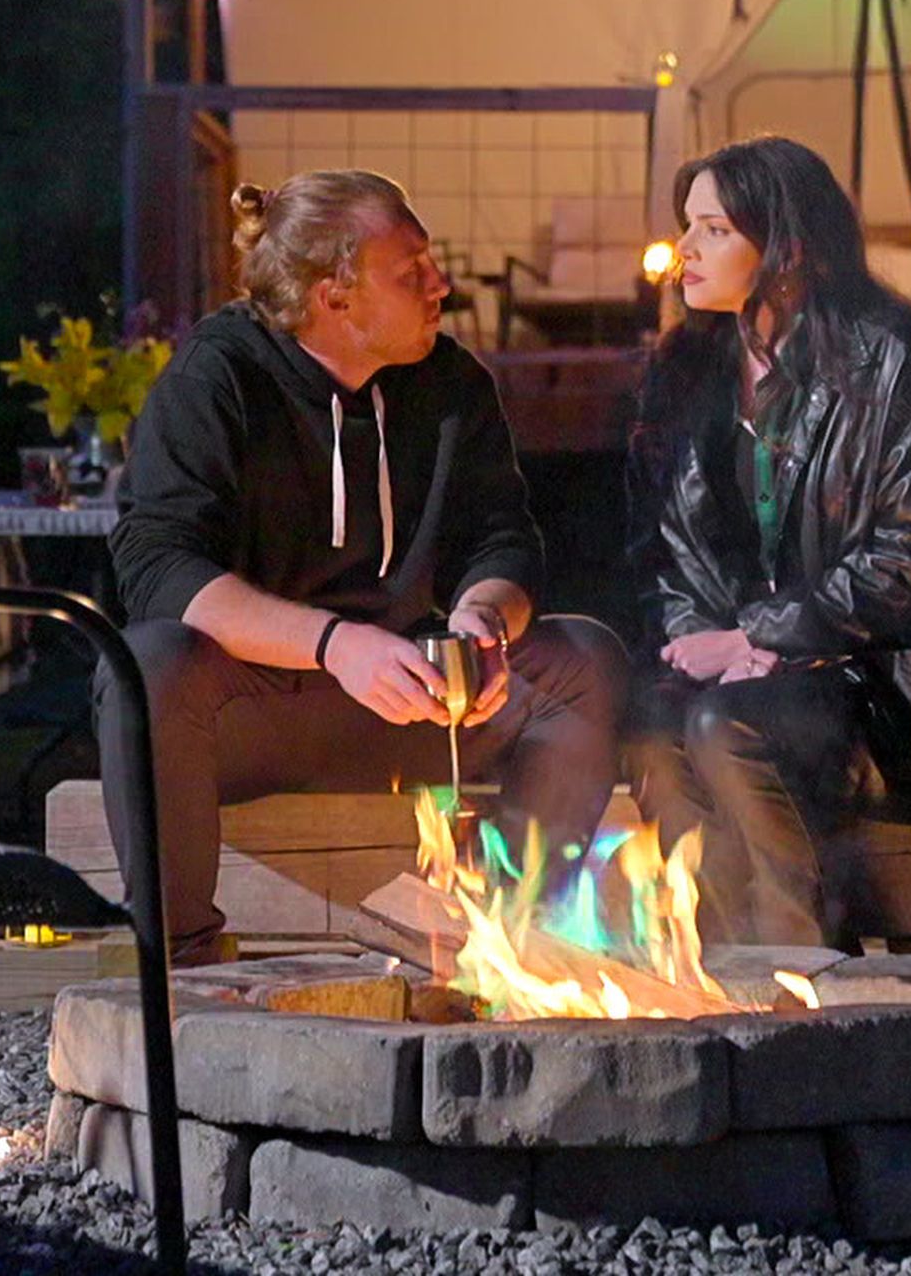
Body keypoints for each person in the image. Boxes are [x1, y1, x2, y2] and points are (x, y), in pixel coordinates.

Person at [105, 170, 631, 964]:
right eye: (410, 270)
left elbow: (504, 538)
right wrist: (334, 645)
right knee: (147, 668)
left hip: (418, 705)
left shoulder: (452, 385)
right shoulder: (218, 379)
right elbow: (158, 568)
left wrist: (483, 618)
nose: (440, 284)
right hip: (261, 708)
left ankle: (512, 949)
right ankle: (178, 964)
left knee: (582, 661)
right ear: (334, 296)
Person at [625, 134, 911, 944]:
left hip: (888, 684)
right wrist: (703, 639)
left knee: (724, 726)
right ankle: (717, 973)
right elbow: (661, 546)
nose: (685, 252)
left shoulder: (890, 357)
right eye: (687, 227)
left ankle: (804, 970)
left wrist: (766, 636)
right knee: (654, 728)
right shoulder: (684, 368)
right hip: (747, 670)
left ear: (787, 249)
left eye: (715, 230)